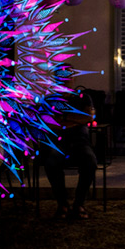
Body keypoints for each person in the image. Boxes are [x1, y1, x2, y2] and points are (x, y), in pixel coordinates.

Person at [42, 89, 97, 220]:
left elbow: (88, 117)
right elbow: (48, 121)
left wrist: (64, 118)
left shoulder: (83, 97)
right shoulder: (50, 99)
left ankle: (79, 204)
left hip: (80, 142)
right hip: (58, 142)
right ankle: (62, 204)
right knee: (51, 162)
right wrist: (76, 120)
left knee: (90, 161)